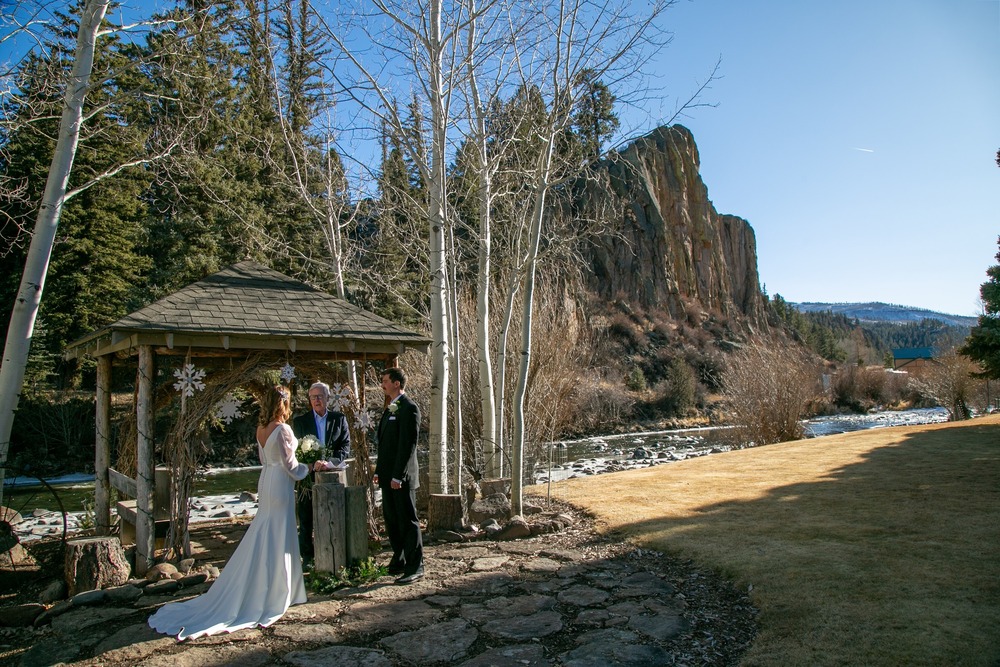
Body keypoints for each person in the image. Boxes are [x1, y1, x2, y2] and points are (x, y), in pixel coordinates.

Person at [148, 385, 313, 640]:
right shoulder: (283, 429)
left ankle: (270, 586)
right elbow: (291, 466)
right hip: (280, 484)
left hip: (266, 479)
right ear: (284, 403)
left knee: (265, 531)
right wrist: (310, 466)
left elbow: (264, 460)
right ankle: (278, 592)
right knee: (280, 534)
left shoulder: (261, 429)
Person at [373, 367, 423, 584]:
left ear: (396, 383)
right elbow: (386, 444)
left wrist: (398, 476)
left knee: (407, 520)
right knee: (392, 520)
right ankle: (399, 560)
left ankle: (415, 566)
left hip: (401, 478)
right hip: (388, 476)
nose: (382, 384)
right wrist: (379, 472)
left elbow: (407, 445)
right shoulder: (391, 407)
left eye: (385, 380)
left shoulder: (409, 408)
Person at [291, 381, 351, 559]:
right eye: (313, 397)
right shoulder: (300, 422)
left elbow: (345, 446)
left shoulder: (338, 419)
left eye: (320, 396)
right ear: (309, 399)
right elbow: (294, 450)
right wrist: (310, 463)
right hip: (307, 477)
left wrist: (329, 462)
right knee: (306, 518)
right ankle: (308, 558)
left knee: (331, 516)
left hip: (331, 476)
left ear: (327, 398)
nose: (317, 400)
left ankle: (332, 554)